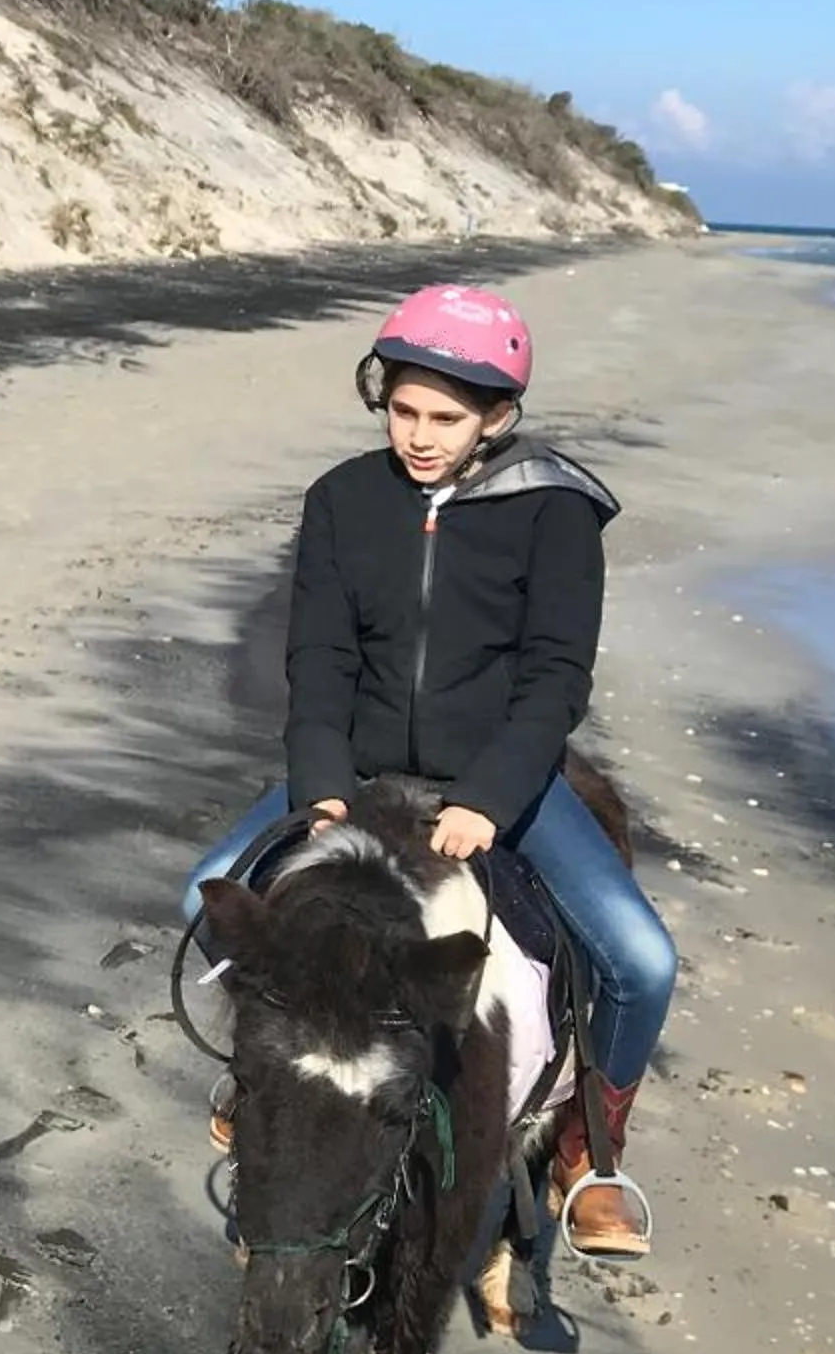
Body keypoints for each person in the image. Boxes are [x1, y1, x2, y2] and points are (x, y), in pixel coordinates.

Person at [184, 285, 674, 1255]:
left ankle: (590, 1151)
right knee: (195, 904)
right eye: (402, 410)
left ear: (497, 415)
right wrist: (320, 783)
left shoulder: (556, 514)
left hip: (499, 782)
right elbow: (317, 659)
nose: (418, 435)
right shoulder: (341, 502)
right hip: (355, 769)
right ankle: (273, 1080)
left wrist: (489, 799)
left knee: (643, 962)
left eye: (444, 418)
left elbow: (553, 680)